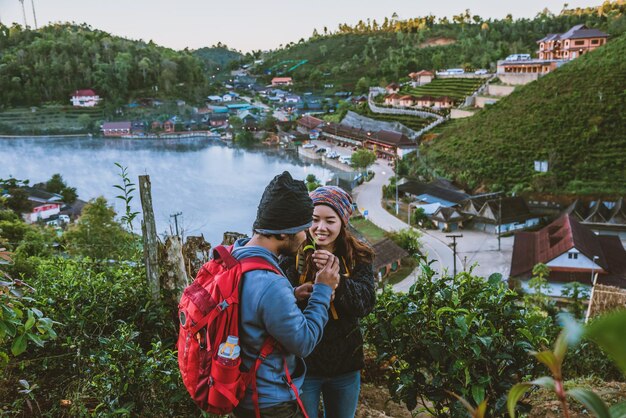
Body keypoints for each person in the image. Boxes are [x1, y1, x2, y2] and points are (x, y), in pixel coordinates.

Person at [231, 171, 341, 418]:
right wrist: (323, 289)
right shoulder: (270, 284)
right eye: (303, 229)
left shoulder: (234, 256)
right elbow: (304, 342)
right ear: (283, 233)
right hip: (270, 403)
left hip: (241, 393)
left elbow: (250, 305)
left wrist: (292, 294)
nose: (306, 236)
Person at [281, 186, 376, 418]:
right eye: (314, 219)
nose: (320, 228)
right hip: (304, 365)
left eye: (330, 221)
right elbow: (278, 302)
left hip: (345, 363)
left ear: (343, 222)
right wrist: (296, 293)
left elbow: (366, 303)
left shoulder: (358, 255)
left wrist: (339, 283)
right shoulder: (293, 255)